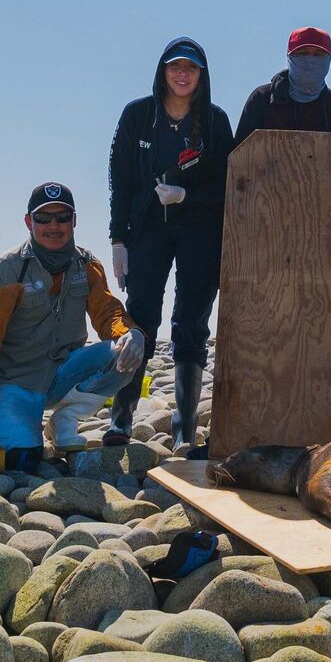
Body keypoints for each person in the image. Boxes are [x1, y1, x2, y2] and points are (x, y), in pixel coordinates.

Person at [0, 183, 145, 471]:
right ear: (29, 222)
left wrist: (131, 334)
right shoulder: (7, 269)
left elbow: (108, 313)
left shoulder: (88, 265)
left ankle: (65, 419)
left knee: (125, 353)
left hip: (62, 373)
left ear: (74, 220)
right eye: (43, 218)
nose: (54, 225)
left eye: (63, 217)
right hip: (15, 380)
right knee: (24, 461)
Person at [107, 37, 233, 448]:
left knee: (191, 321)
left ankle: (183, 431)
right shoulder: (138, 115)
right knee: (140, 317)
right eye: (176, 66)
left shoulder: (214, 121)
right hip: (147, 229)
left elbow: (229, 183)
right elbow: (120, 179)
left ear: (202, 74)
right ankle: (121, 420)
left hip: (200, 230)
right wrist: (118, 239)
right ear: (163, 71)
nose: (183, 74)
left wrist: (187, 196)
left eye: (192, 68)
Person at [233, 26, 331, 145]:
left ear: (329, 59)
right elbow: (240, 156)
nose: (310, 60)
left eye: (318, 54)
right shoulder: (262, 99)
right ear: (289, 57)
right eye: (302, 53)